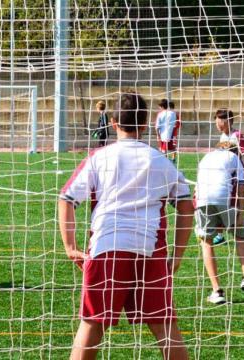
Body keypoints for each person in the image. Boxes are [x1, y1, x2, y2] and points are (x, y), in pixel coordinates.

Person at [58, 92, 193, 360]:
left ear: (112, 121)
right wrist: (177, 254)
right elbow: (187, 205)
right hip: (149, 250)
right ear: (145, 124)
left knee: (92, 322)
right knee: (165, 326)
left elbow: (67, 198)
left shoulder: (99, 157)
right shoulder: (160, 161)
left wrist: (70, 246)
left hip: (106, 247)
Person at [194, 141, 244, 304]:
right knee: (239, 236)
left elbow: (196, 188)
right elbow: (240, 188)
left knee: (207, 242)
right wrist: (240, 213)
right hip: (224, 196)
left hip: (202, 199)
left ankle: (217, 291)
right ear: (235, 152)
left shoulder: (206, 157)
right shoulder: (235, 158)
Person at [212, 109, 244, 245]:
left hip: (237, 176)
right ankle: (220, 234)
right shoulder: (223, 137)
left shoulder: (236, 135)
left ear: (228, 121)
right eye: (216, 122)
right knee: (221, 203)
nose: (218, 125)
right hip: (226, 176)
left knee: (231, 205)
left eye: (220, 122)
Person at [155, 99, 177, 163]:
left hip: (163, 135)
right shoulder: (173, 113)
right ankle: (173, 160)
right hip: (171, 135)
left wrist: (158, 136)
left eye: (159, 107)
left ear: (161, 106)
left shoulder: (160, 114)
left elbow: (157, 127)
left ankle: (166, 163)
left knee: (163, 151)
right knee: (172, 148)